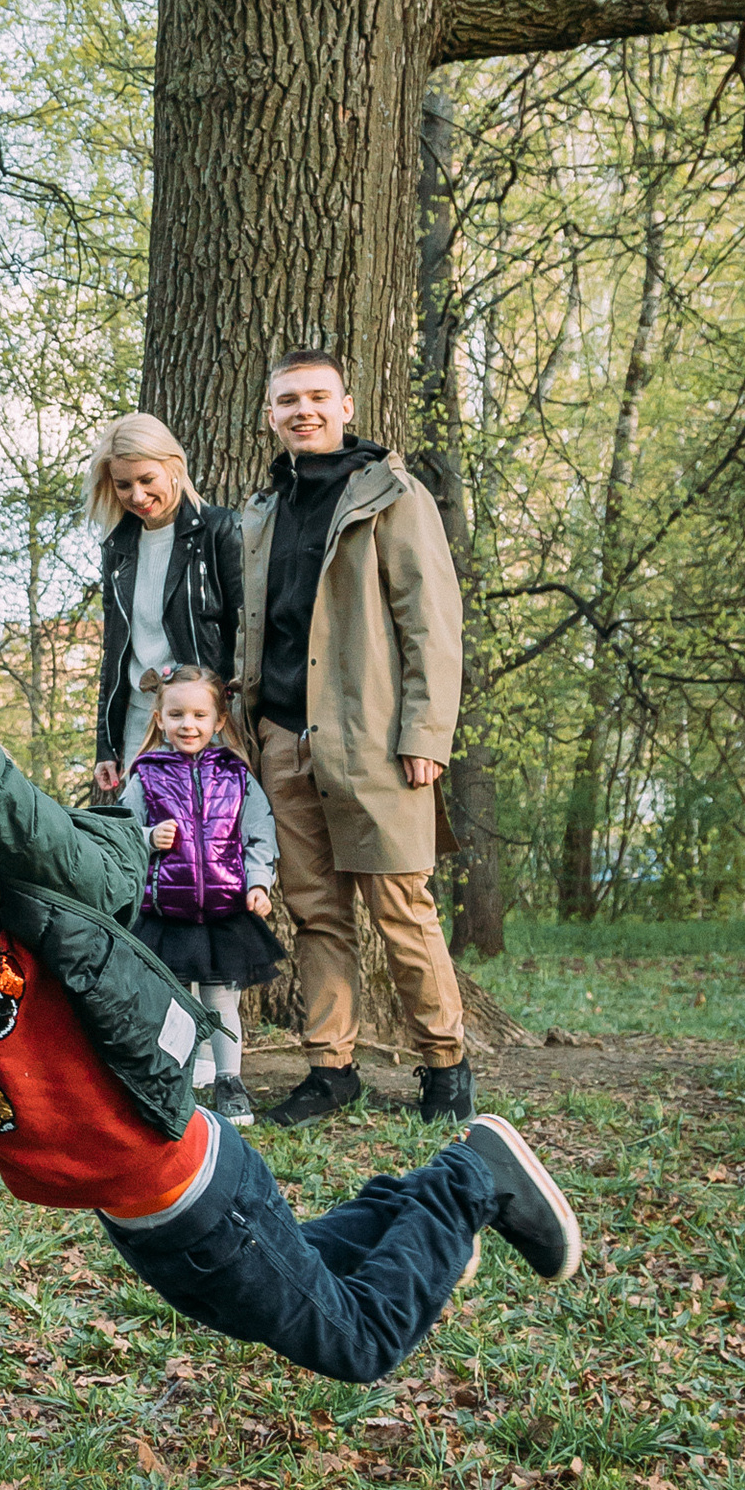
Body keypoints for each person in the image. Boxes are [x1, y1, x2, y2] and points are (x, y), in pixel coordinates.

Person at [0, 629, 583, 1393]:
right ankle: (416, 1218)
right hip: (142, 1222)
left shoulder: (55, 904)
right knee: (308, 1272)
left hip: (202, 1200)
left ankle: (469, 1179)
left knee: (358, 1341)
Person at [239, 347, 473, 1131]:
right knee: (317, 915)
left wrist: (426, 733)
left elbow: (430, 623)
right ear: (270, 415)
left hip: (374, 741)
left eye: (317, 397)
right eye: (288, 400)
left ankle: (446, 1065)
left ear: (345, 407)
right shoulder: (263, 511)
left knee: (402, 905)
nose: (303, 411)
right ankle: (330, 1070)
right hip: (281, 740)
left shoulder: (394, 495)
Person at [114, 663, 284, 1129]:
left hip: (225, 912)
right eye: (176, 715)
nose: (188, 725)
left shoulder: (235, 774)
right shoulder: (146, 774)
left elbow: (259, 833)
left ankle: (230, 1080)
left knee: (221, 1000)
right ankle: (174, 1078)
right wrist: (149, 838)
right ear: (159, 719)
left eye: (199, 715)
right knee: (171, 1001)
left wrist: (258, 884)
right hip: (165, 912)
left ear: (219, 720)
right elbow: (122, 832)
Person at [88, 412, 241, 795]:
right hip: (141, 723)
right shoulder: (117, 549)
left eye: (146, 479)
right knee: (146, 828)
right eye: (124, 485)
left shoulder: (220, 531)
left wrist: (231, 715)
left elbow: (246, 634)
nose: (137, 496)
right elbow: (114, 653)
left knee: (212, 826)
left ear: (173, 466)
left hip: (204, 721)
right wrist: (106, 745)